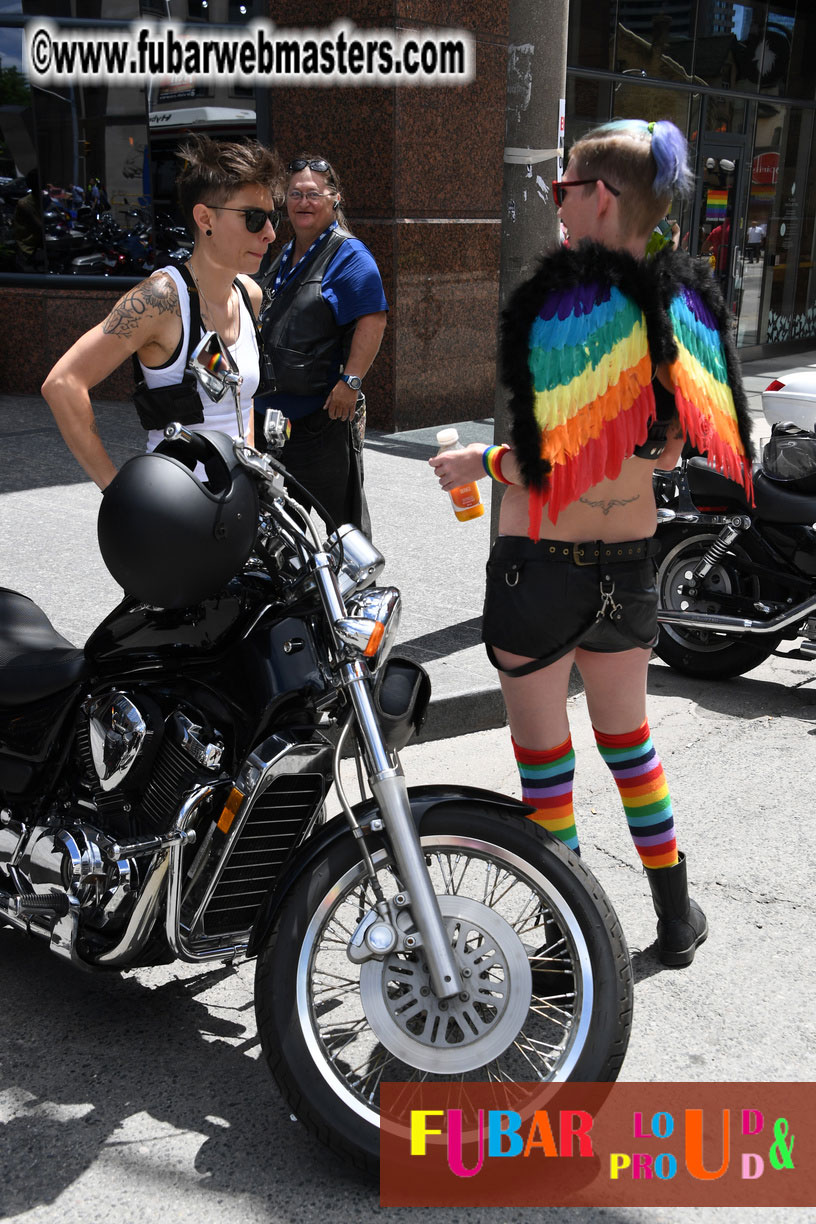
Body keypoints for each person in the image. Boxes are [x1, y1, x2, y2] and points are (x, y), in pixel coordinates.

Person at [430, 119, 755, 968]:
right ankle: (675, 919)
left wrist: (478, 458)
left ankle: (560, 941)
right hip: (631, 565)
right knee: (631, 746)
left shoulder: (573, 306)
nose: (555, 198)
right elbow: (673, 448)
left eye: (564, 186)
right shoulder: (685, 309)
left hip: (543, 567)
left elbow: (555, 465)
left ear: (600, 198)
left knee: (546, 764)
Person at [42, 136, 284, 490]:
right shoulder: (161, 299)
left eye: (272, 217)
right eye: (254, 218)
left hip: (240, 506)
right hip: (176, 512)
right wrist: (117, 493)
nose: (270, 233)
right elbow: (63, 384)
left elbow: (240, 403)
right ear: (205, 219)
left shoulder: (249, 295)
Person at [255, 153, 387, 536]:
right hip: (270, 419)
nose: (302, 202)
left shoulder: (349, 254)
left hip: (320, 419)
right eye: (294, 194)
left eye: (313, 194)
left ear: (335, 198)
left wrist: (352, 382)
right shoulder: (284, 252)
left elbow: (373, 318)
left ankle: (353, 594)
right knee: (274, 523)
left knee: (340, 526)